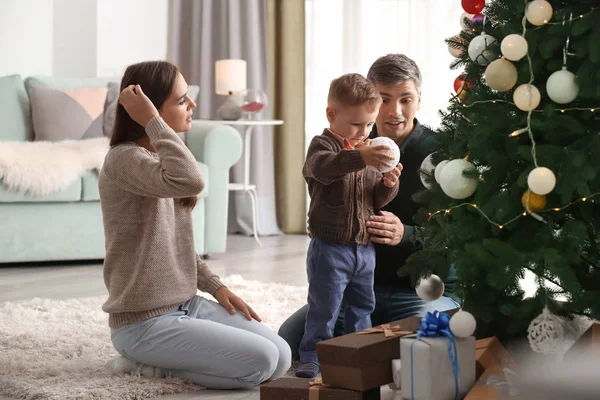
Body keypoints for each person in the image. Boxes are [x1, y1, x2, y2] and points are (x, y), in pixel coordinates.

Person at [99, 61, 291, 389]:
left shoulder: (164, 158)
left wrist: (218, 287)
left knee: (281, 356)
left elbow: (178, 247)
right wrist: (153, 121)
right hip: (143, 324)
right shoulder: (124, 160)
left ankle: (165, 362)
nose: (193, 105)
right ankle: (152, 366)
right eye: (181, 100)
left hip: (186, 304)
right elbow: (192, 180)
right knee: (260, 362)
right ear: (149, 110)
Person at [278, 54, 460, 361]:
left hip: (421, 291)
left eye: (406, 99)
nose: (395, 112)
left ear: (420, 100)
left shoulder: (443, 152)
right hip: (359, 286)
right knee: (291, 339)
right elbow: (319, 173)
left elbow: (459, 234)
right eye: (384, 100)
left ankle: (376, 342)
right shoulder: (353, 146)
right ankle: (368, 338)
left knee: (423, 344)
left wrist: (407, 233)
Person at [296, 73, 402, 378]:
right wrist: (361, 156)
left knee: (362, 306)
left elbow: (375, 199)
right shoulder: (322, 147)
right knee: (324, 308)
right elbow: (325, 169)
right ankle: (312, 355)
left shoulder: (367, 150)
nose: (364, 131)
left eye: (369, 124)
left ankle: (360, 354)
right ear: (332, 114)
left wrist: (388, 185)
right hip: (329, 249)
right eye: (357, 124)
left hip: (364, 249)